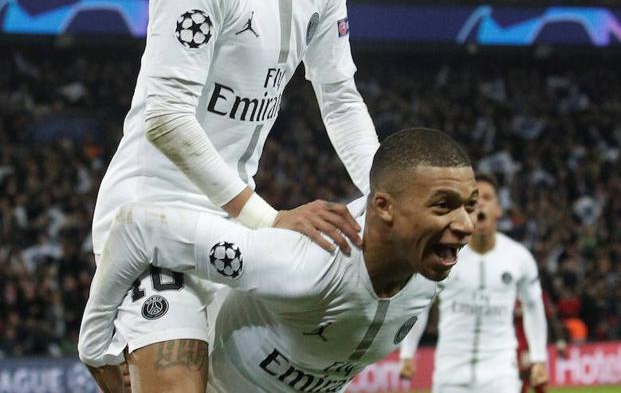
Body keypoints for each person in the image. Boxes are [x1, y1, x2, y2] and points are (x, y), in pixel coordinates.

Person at [87, 0, 380, 391]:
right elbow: (167, 117)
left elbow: (340, 97)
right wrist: (267, 219)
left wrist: (382, 196)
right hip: (154, 215)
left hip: (233, 223)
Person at [79, 128, 478, 392]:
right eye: (443, 206)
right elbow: (138, 228)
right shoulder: (305, 263)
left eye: (469, 206)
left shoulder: (431, 265)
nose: (464, 225)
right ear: (385, 207)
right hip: (199, 346)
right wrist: (96, 348)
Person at [399, 173, 549, 393]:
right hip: (450, 373)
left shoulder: (519, 257)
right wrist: (407, 354)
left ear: (498, 210)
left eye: (486, 198)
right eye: (472, 201)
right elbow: (420, 305)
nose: (480, 204)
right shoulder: (443, 256)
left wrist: (539, 358)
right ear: (464, 210)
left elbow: (533, 305)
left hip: (501, 375)